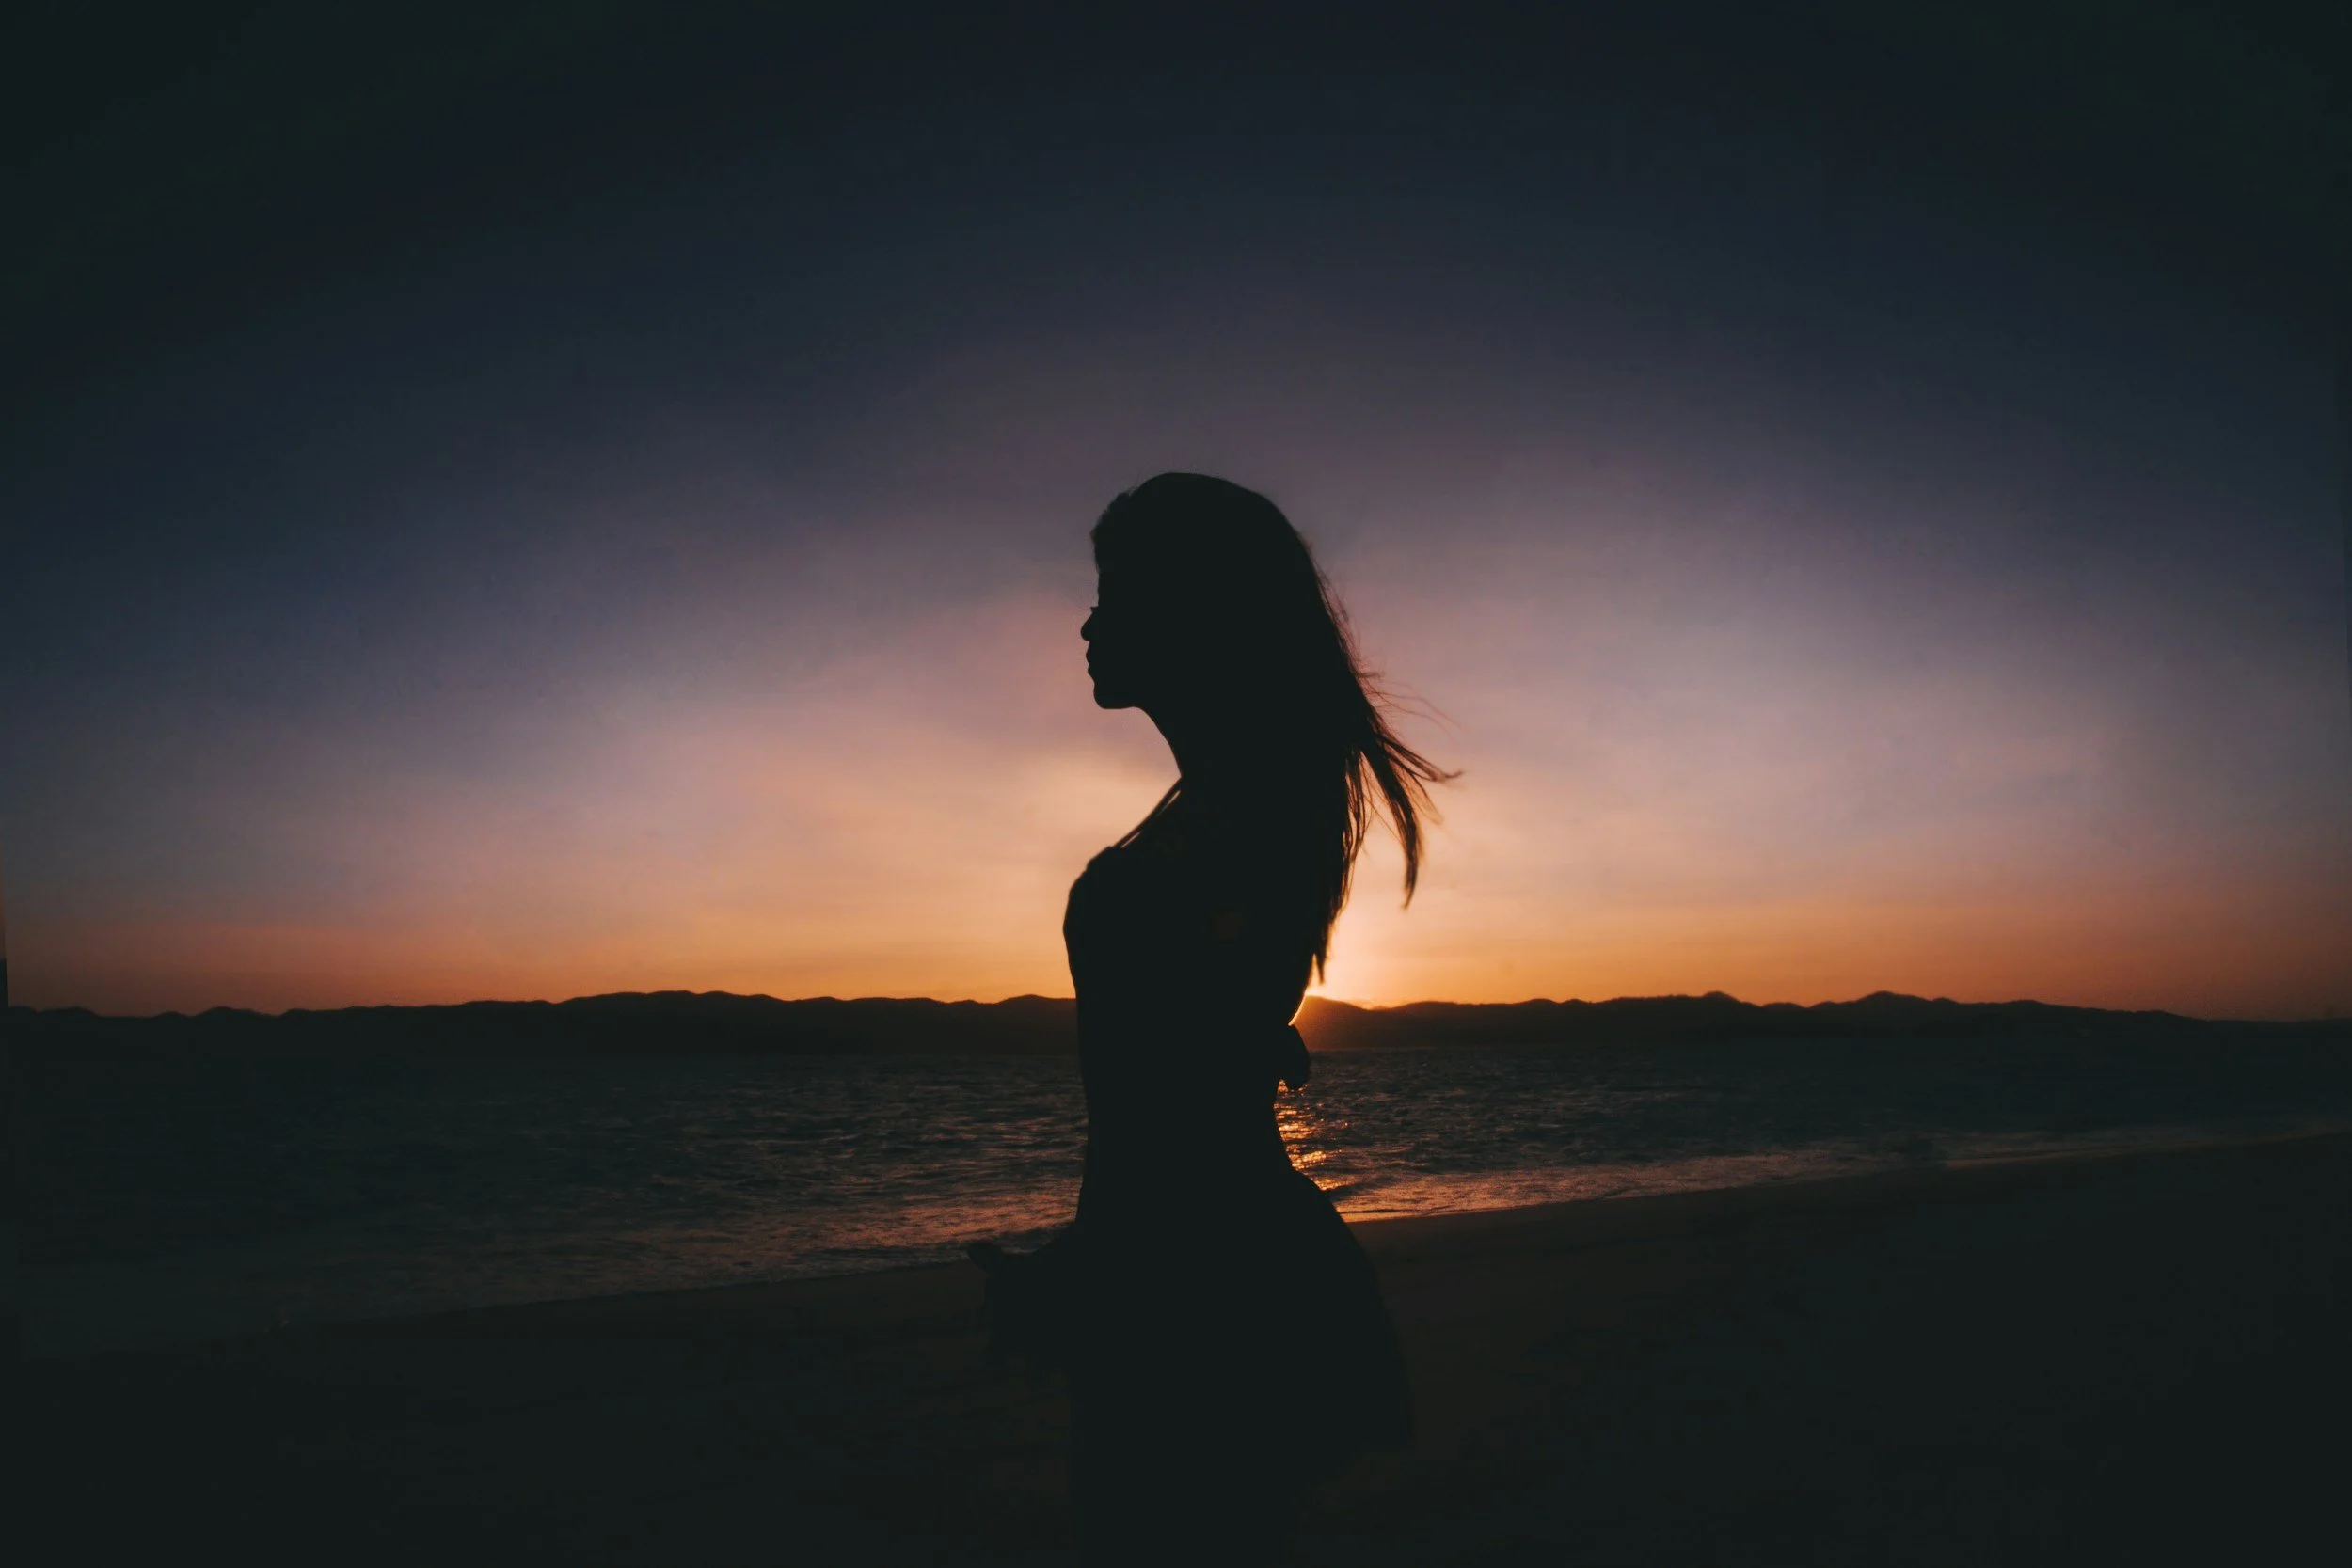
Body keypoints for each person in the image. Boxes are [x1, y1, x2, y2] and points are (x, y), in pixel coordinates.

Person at [970, 472, 1448, 1563]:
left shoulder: (1230, 824)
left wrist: (1095, 1270)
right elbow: (1199, 1058)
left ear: (1195, 609)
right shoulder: (1246, 808)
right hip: (1209, 1259)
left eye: (1115, 591)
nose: (1088, 621)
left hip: (1190, 1290)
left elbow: (1171, 1112)